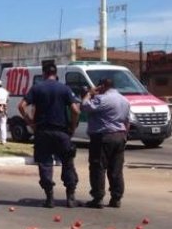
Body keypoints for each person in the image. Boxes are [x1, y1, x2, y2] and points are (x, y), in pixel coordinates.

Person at [18, 63, 80, 208]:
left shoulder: (37, 88)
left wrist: (30, 123)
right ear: (55, 73)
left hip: (42, 132)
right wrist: (72, 126)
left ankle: (49, 197)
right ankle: (70, 197)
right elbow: (76, 111)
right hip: (61, 132)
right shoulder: (64, 89)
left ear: (44, 73)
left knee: (45, 164)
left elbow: (21, 106)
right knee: (67, 163)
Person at [81, 78, 131, 209]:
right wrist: (124, 136)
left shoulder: (101, 99)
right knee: (116, 169)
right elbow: (127, 121)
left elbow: (85, 106)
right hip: (120, 136)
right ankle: (116, 198)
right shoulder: (124, 100)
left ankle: (98, 197)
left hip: (103, 137)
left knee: (98, 167)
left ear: (102, 86)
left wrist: (89, 94)